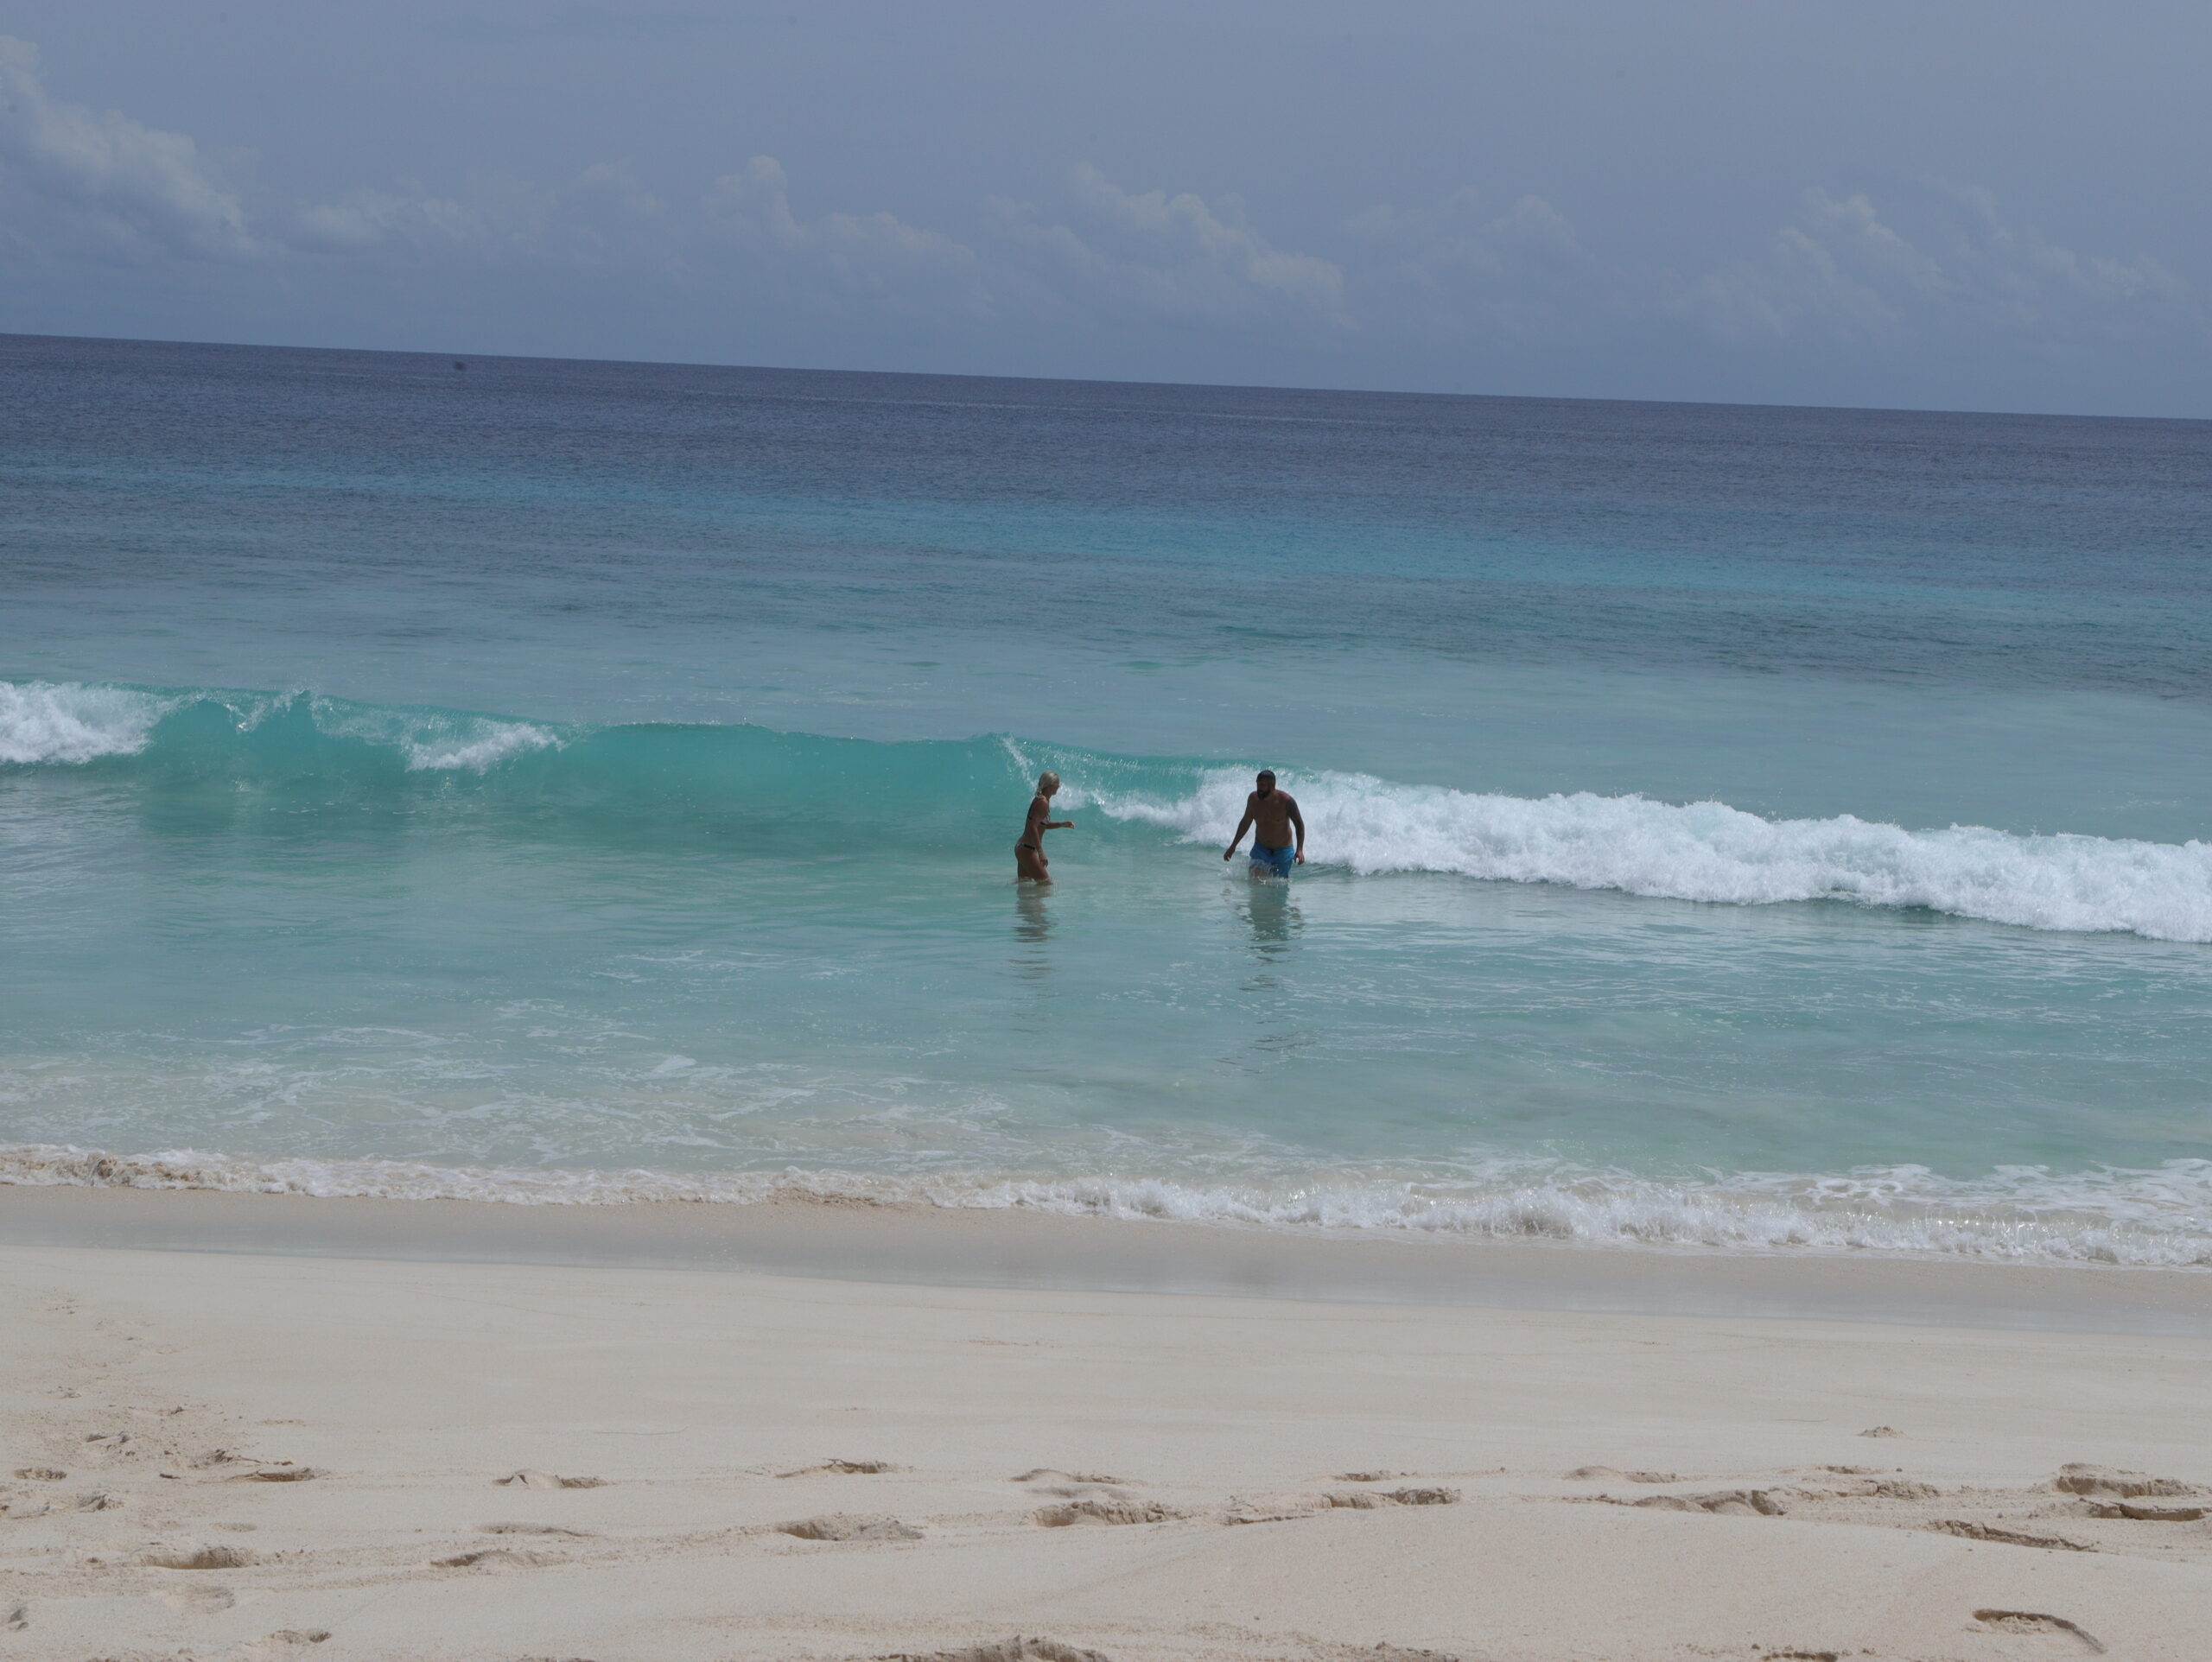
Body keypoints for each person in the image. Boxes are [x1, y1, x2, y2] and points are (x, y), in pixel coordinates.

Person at [1224, 770, 1305, 878]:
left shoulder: (1286, 801)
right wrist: (1233, 846)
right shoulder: (1253, 799)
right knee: (1255, 881)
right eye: (1258, 785)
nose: (1259, 789)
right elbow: (1245, 822)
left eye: (1263, 785)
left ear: (1273, 785)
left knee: (1279, 885)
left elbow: (1299, 825)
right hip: (1261, 848)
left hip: (1283, 850)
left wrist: (1299, 850)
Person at [1015, 771, 1074, 882]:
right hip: (1028, 850)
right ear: (1051, 785)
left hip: (1022, 847)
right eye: (1058, 784)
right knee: (1046, 884)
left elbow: (1042, 825)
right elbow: (1033, 827)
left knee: (1024, 885)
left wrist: (1061, 824)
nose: (1059, 786)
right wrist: (1041, 853)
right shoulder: (1043, 802)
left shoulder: (1041, 799)